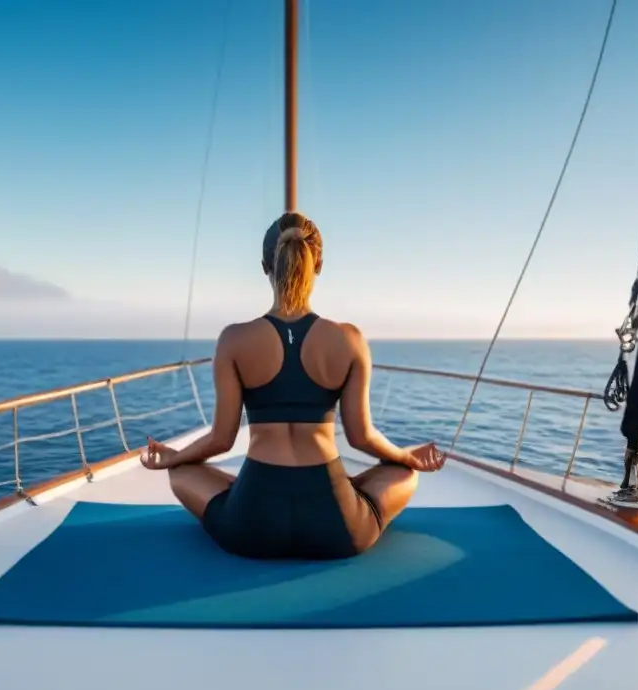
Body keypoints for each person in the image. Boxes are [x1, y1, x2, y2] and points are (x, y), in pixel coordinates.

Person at [139, 211, 446, 559]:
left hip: (253, 526)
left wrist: (174, 457)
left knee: (182, 473)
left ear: (265, 265)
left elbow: (221, 439)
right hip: (338, 528)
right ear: (318, 265)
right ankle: (345, 491)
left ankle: (247, 490)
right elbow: (362, 437)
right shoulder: (349, 339)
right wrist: (407, 457)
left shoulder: (234, 339)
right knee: (402, 474)